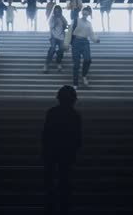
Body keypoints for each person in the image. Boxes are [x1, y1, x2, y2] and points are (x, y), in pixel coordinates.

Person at [42, 85, 82, 215]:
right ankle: (64, 203)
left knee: (51, 178)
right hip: (67, 151)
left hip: (52, 150)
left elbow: (46, 133)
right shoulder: (75, 115)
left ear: (58, 98)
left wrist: (45, 149)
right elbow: (77, 136)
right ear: (73, 100)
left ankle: (51, 202)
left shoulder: (52, 112)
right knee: (65, 177)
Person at [66, 6, 99, 89]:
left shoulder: (89, 23)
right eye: (84, 11)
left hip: (85, 42)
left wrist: (96, 39)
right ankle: (75, 83)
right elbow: (69, 32)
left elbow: (91, 34)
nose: (85, 13)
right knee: (76, 64)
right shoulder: (76, 20)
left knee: (88, 59)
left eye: (87, 11)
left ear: (89, 13)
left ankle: (84, 75)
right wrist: (66, 44)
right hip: (76, 42)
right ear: (82, 12)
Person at [43, 5, 68, 73]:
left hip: (61, 36)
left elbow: (66, 26)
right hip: (54, 36)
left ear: (60, 11)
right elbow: (51, 27)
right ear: (54, 11)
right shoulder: (52, 18)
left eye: (58, 11)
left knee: (61, 49)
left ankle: (59, 62)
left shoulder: (62, 18)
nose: (57, 12)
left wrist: (64, 22)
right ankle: (46, 64)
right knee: (53, 48)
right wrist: (50, 36)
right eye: (56, 11)